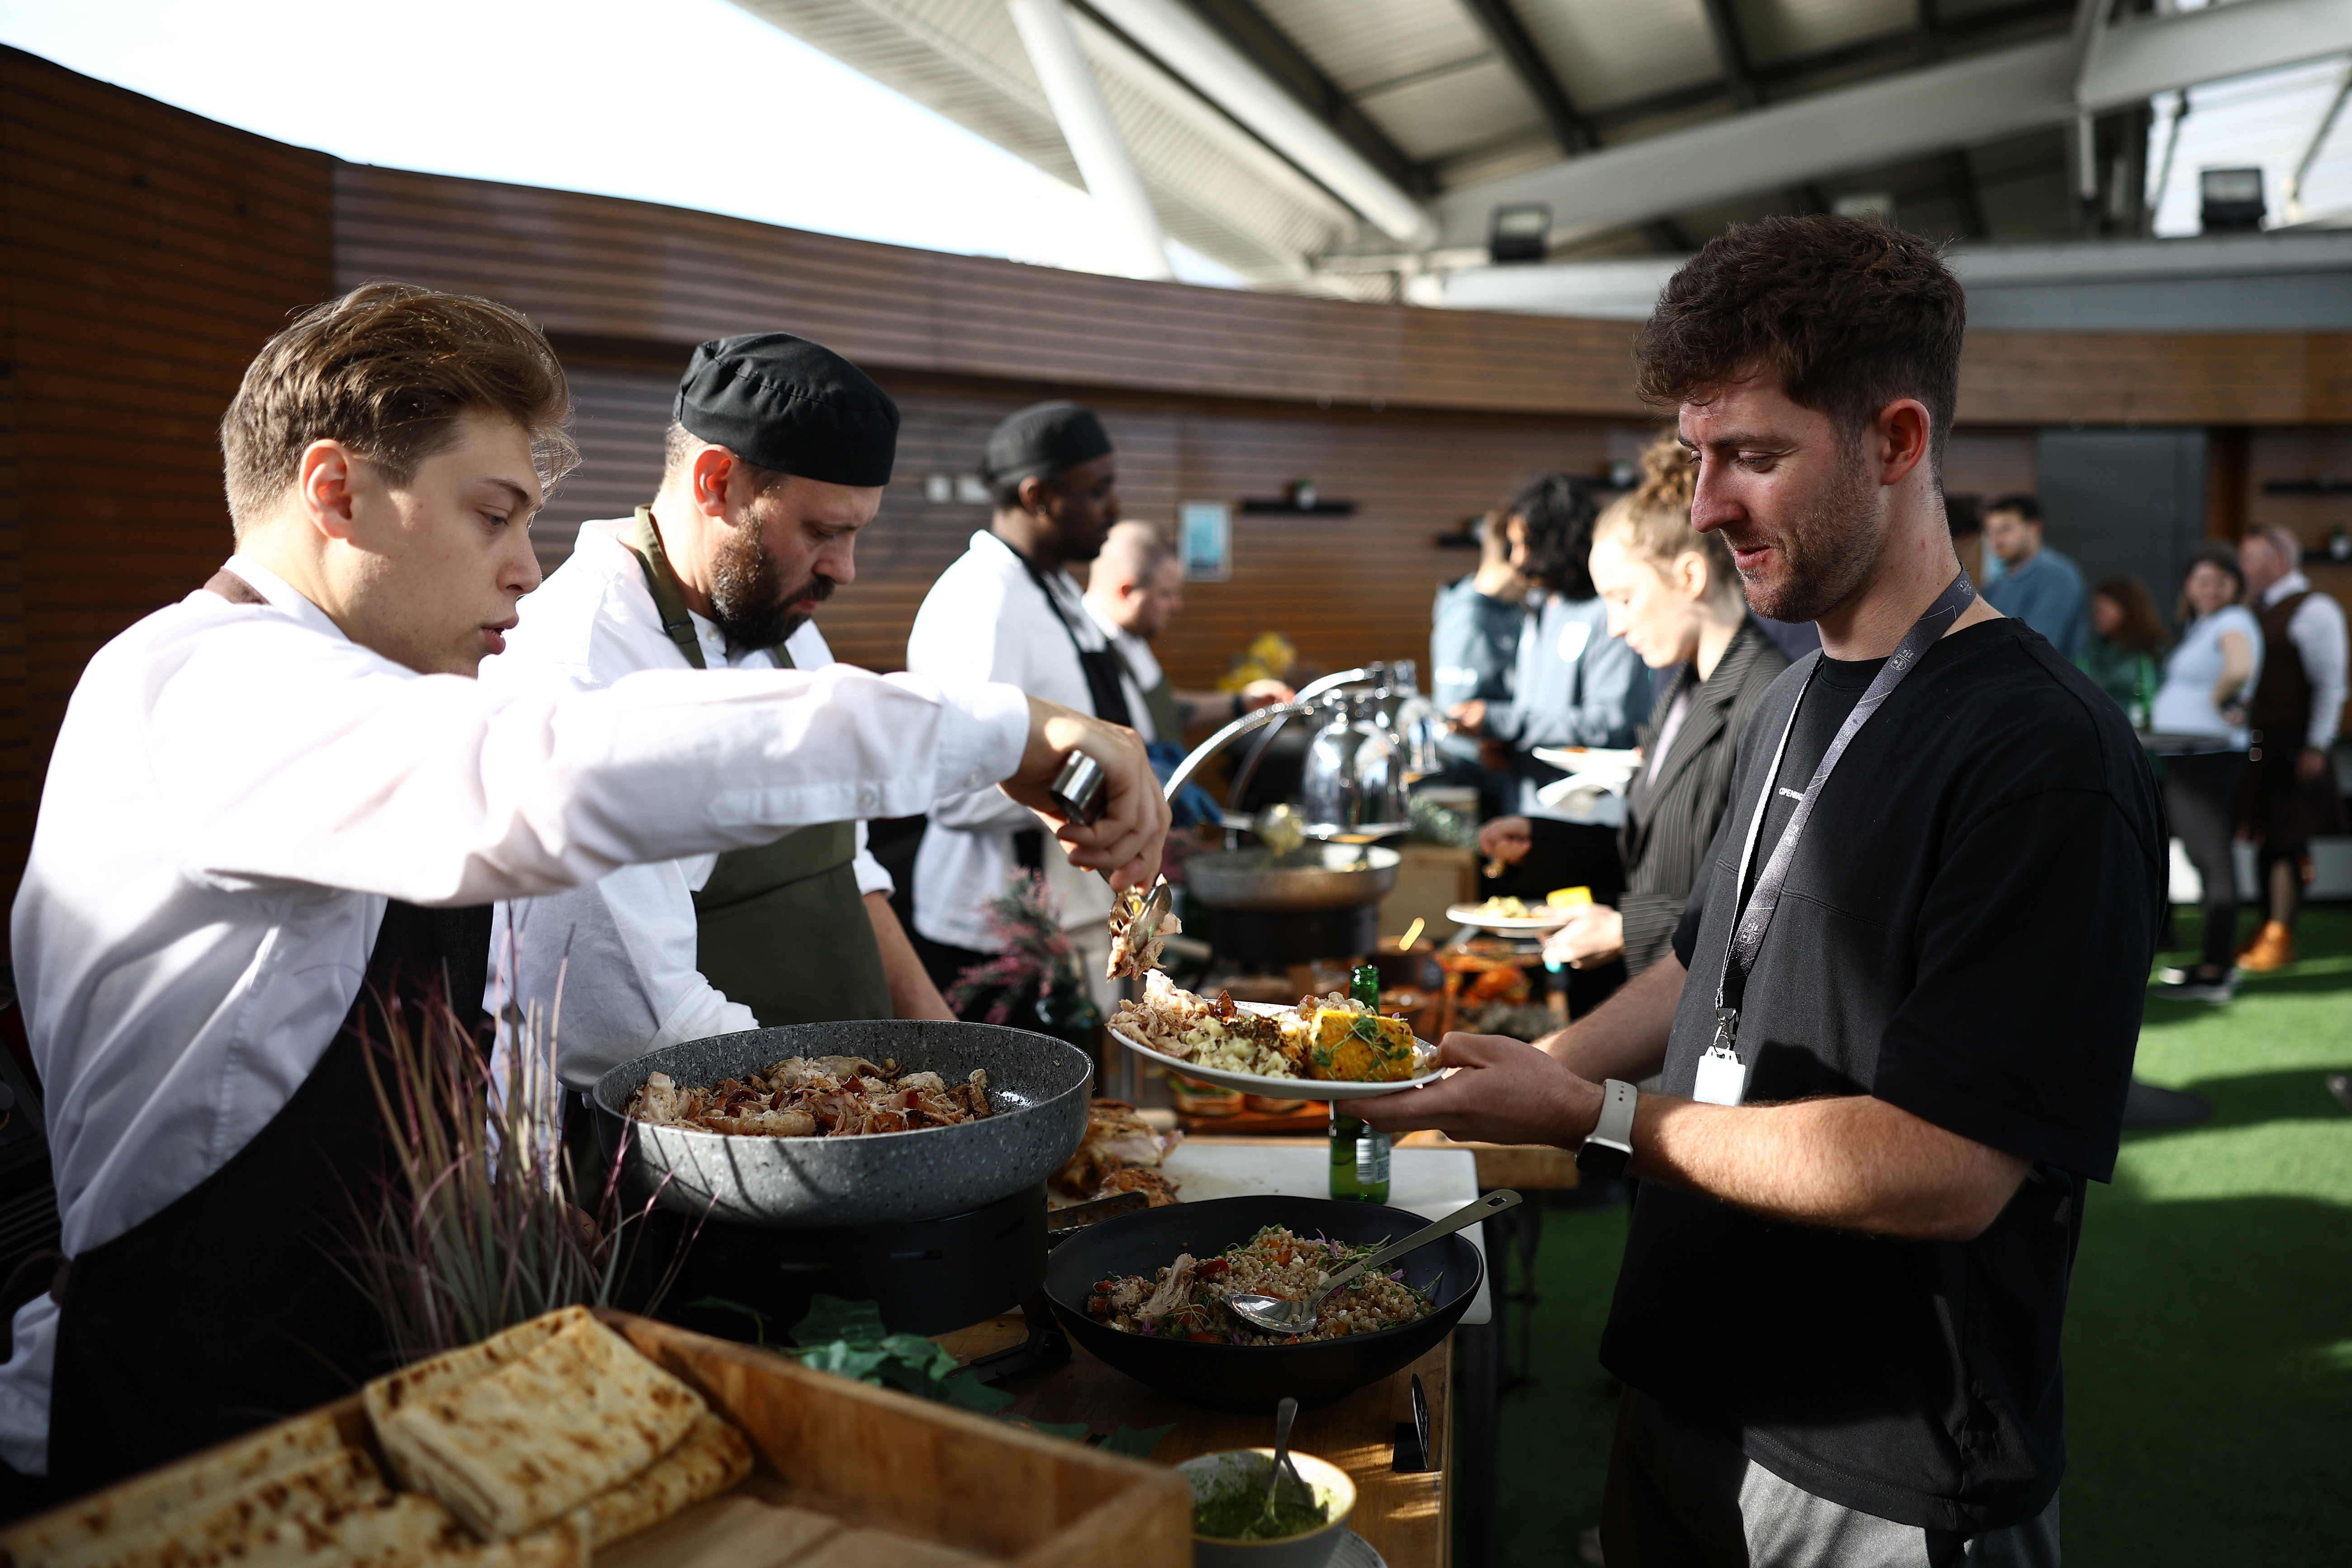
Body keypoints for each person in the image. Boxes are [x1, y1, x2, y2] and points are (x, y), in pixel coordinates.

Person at [0, 286, 1165, 1500]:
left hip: (363, 1386)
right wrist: (1002, 731)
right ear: (334, 492)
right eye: (491, 515)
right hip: (180, 1428)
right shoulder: (207, 689)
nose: (521, 566)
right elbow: (565, 772)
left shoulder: (363, 692)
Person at [1362, 215, 2162, 1566]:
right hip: (1681, 1383)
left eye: (1755, 456)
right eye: (1696, 456)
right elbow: (1704, 969)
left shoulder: (2045, 757)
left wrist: (1594, 1115)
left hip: (1876, 1461)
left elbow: (1949, 1165)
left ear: (1898, 443)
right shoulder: (1794, 693)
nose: (1705, 501)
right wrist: (1517, 1073)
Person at [481, 333, 959, 1096]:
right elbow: (630, 1023)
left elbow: (851, 868)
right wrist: (863, 1108)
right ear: (716, 481)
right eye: (822, 531)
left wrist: (948, 1050)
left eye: (854, 533)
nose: (845, 567)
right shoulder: (583, 663)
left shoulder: (777, 621)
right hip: (720, 1148)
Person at [1480, 436, 1789, 984]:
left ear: (1690, 578)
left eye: (1623, 599)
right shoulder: (1685, 688)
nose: (1616, 626)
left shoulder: (1768, 697)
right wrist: (1543, 840)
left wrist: (1628, 928)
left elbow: (1763, 911)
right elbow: (1652, 848)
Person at [907, 401, 1145, 1012]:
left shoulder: (1056, 587)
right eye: (1099, 490)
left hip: (1069, 916)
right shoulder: (979, 601)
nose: (1114, 509)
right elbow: (950, 788)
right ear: (1039, 495)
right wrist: (1103, 789)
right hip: (994, 934)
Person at [1449, 473, 1650, 908]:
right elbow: (1536, 713)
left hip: (1586, 833)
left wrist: (1503, 719)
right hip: (1529, 819)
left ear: (1558, 540)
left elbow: (1609, 723)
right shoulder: (1538, 610)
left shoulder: (1607, 613)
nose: (1518, 561)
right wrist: (1503, 743)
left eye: (1525, 545)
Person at [2149, 546, 2263, 1001]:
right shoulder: (2203, 625)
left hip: (2207, 755)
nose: (2211, 588)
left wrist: (2220, 699)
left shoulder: (2233, 622)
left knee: (2211, 856)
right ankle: (2212, 964)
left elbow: (2240, 668)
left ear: (2235, 585)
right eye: (2202, 579)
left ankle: (2217, 971)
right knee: (2203, 856)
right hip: (2188, 754)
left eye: (2221, 580)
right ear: (2188, 585)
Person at [2233, 523, 2347, 971]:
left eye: (2250, 558)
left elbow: (2331, 684)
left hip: (2295, 742)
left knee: (2287, 840)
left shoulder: (2315, 609)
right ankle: (2267, 928)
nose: (2243, 569)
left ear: (2278, 560)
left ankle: (2281, 933)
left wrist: (2317, 744)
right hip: (2263, 740)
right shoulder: (2258, 608)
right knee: (2268, 838)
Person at [1081, 519, 1289, 742]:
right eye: (1165, 595)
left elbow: (1164, 711)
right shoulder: (1087, 650)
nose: (1177, 606)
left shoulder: (1130, 637)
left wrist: (1241, 702)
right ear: (1127, 593)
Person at [1430, 511, 1528, 817]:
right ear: (1514, 552)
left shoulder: (1507, 608)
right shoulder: (1469, 621)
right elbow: (1455, 715)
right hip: (1478, 782)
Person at [1981, 494, 2087, 656]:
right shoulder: (1997, 585)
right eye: (1990, 532)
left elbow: (2038, 646)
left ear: (2034, 527)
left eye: (2005, 529)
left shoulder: (2057, 575)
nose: (1997, 540)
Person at [2076, 573, 2170, 726]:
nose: (2097, 616)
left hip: (2139, 730)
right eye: (2095, 610)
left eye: (2103, 609)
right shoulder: (2094, 650)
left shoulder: (2153, 649)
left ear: (2126, 609)